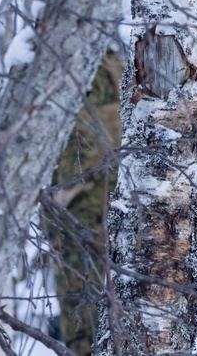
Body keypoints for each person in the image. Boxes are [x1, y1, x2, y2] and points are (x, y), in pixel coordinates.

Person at [44, 50, 124, 356]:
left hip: (82, 208)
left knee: (81, 311)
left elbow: (95, 129)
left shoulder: (89, 64)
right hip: (109, 201)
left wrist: (64, 189)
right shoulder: (116, 64)